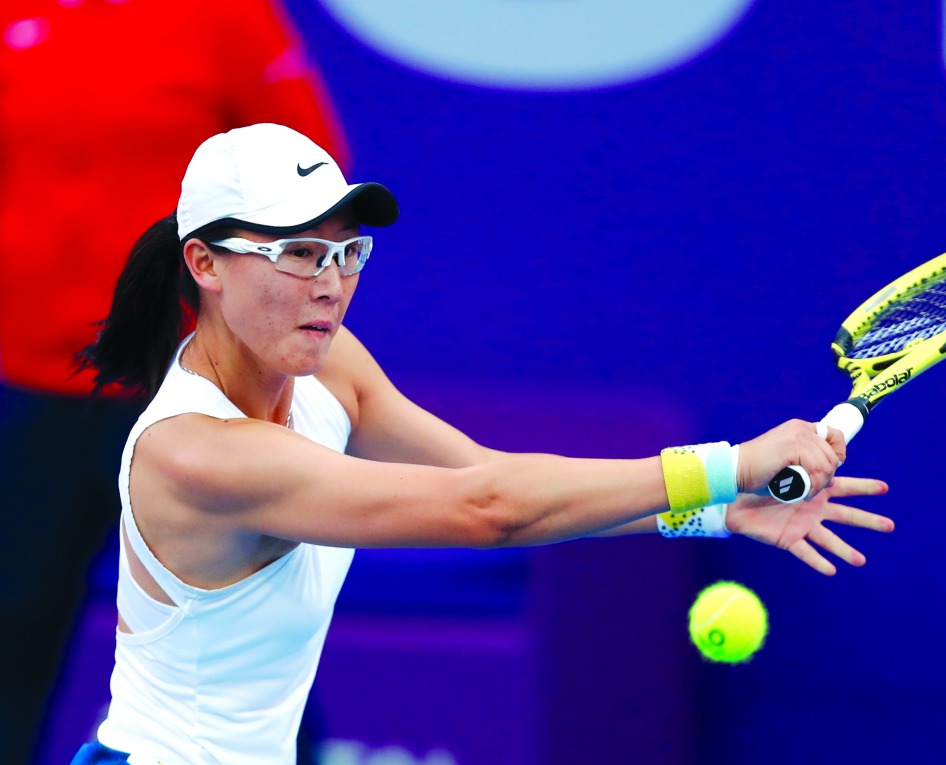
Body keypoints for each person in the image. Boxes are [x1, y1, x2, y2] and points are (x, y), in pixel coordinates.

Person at [68, 123, 894, 764]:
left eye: (347, 252)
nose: (330, 283)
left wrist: (716, 511)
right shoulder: (197, 453)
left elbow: (500, 483)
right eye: (298, 254)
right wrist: (728, 462)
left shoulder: (331, 368)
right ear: (205, 264)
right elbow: (488, 510)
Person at [0, 1, 348, 760]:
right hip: (25, 395)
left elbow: (311, 183)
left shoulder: (227, 15)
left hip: (190, 393)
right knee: (9, 637)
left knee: (245, 647)